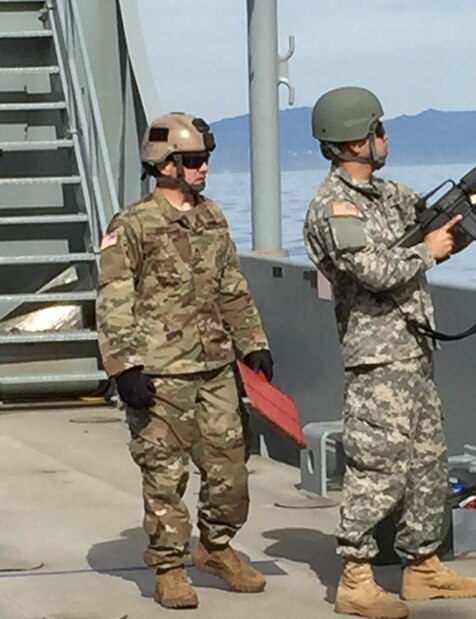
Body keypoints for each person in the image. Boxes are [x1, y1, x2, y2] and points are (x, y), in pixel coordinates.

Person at [303, 86, 476, 618]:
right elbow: (371, 270)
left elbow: (444, 231)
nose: (384, 139)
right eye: (377, 131)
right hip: (378, 360)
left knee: (427, 464)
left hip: (414, 350)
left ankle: (421, 565)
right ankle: (355, 576)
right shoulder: (334, 207)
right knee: (378, 468)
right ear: (352, 141)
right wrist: (428, 252)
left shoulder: (390, 195)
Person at [96, 112, 274, 610]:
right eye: (193, 161)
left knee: (229, 471)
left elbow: (232, 287)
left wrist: (252, 342)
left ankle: (216, 548)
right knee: (164, 474)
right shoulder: (132, 225)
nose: (203, 170)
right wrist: (124, 366)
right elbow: (113, 297)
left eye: (204, 161)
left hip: (214, 366)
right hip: (161, 373)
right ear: (165, 166)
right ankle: (170, 567)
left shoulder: (211, 217)